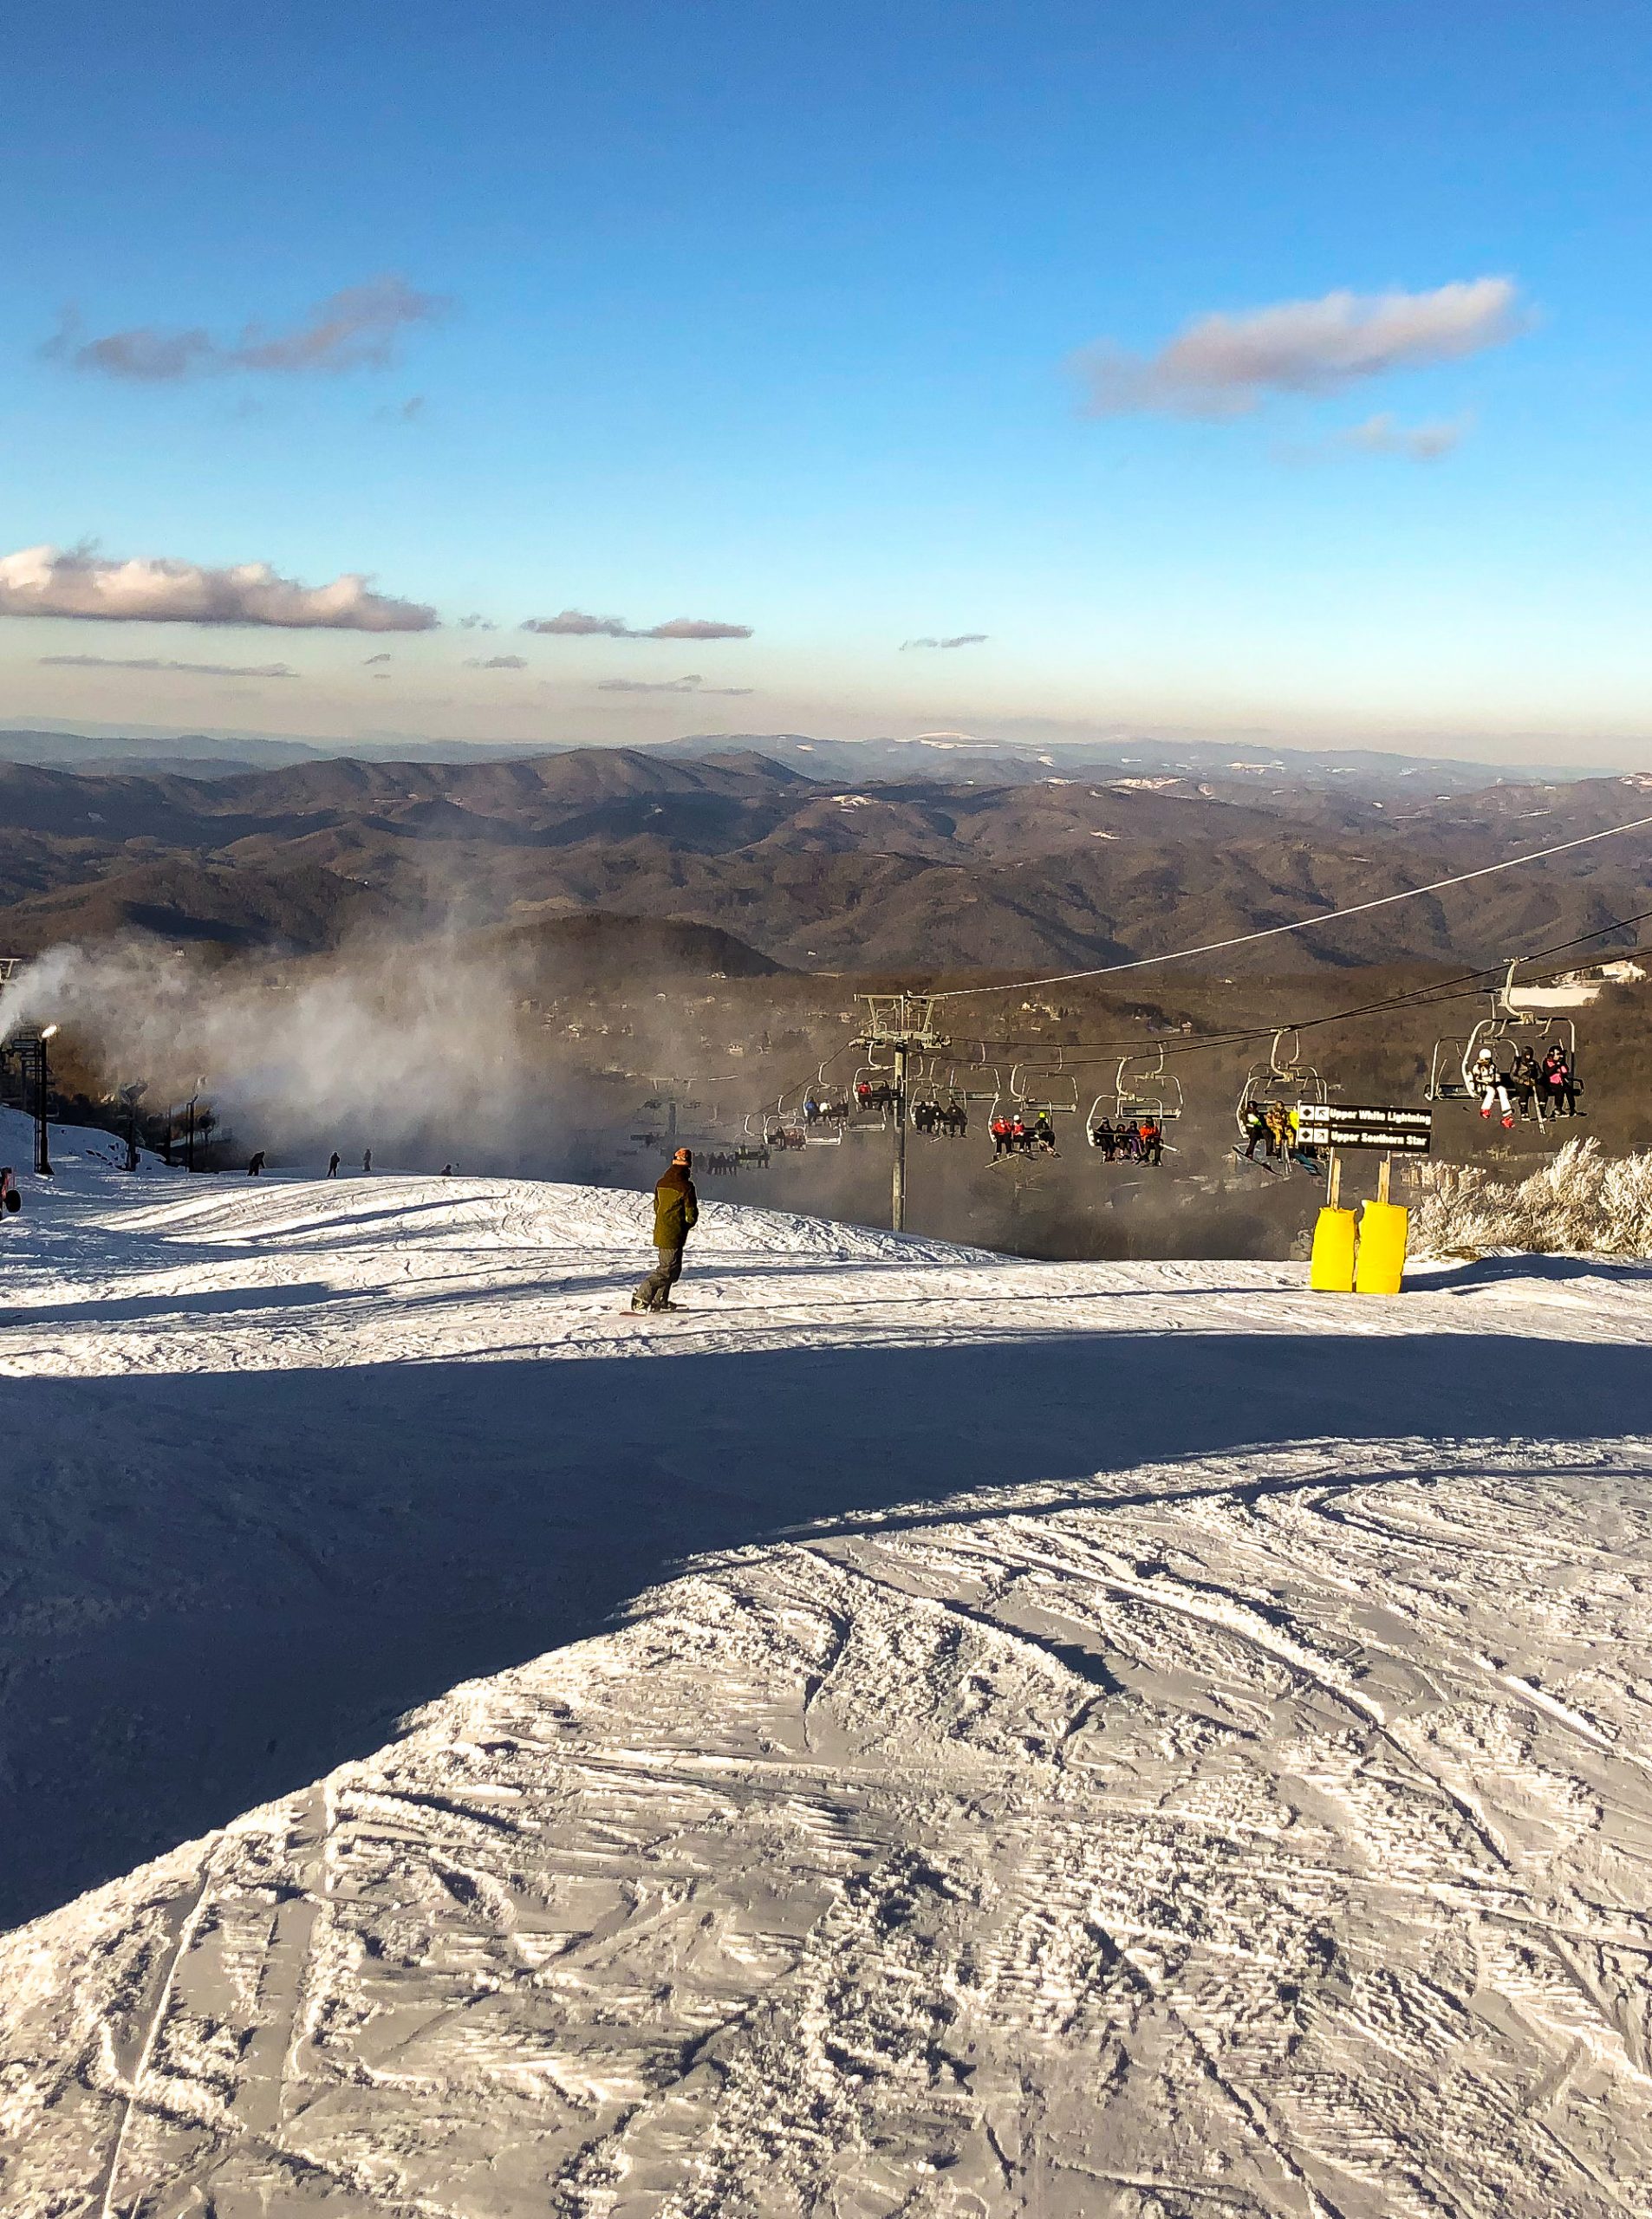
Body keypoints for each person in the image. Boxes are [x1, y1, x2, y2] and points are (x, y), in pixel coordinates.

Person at [633, 1146, 699, 1312]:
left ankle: (660, 1300)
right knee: (666, 1270)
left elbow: (657, 1207)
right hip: (674, 1233)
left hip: (662, 1230)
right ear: (688, 1166)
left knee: (672, 1269)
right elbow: (691, 1215)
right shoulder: (686, 1187)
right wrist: (684, 1225)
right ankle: (642, 1297)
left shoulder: (661, 1183)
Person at [1470, 1048, 1513, 1129]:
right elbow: (1476, 1079)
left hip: (1493, 1084)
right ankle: (1485, 1108)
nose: (1488, 1061)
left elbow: (1497, 1076)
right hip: (1483, 1085)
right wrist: (1486, 1081)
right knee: (1491, 1091)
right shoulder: (1477, 1067)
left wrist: (1496, 1081)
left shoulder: (1492, 1067)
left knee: (1502, 1090)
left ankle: (1507, 1114)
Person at [1543, 1043, 1579, 1116]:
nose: (1559, 1056)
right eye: (1558, 1054)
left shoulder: (1560, 1063)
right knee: (1559, 1090)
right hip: (1551, 1083)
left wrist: (1562, 1063)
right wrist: (1557, 1065)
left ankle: (1572, 1108)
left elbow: (1565, 1071)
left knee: (1568, 1089)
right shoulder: (1547, 1062)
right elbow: (1548, 1072)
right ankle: (1558, 1108)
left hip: (1560, 1081)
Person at [1509, 1045, 1540, 1120]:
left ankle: (1542, 1110)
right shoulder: (1518, 1062)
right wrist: (1522, 1081)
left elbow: (1540, 1074)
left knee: (1541, 1089)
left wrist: (1535, 1078)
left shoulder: (1534, 1063)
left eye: (1530, 1055)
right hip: (1520, 1082)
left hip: (1531, 1082)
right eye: (1527, 1055)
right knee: (1523, 1091)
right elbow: (1512, 1075)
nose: (1528, 1057)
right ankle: (1524, 1111)